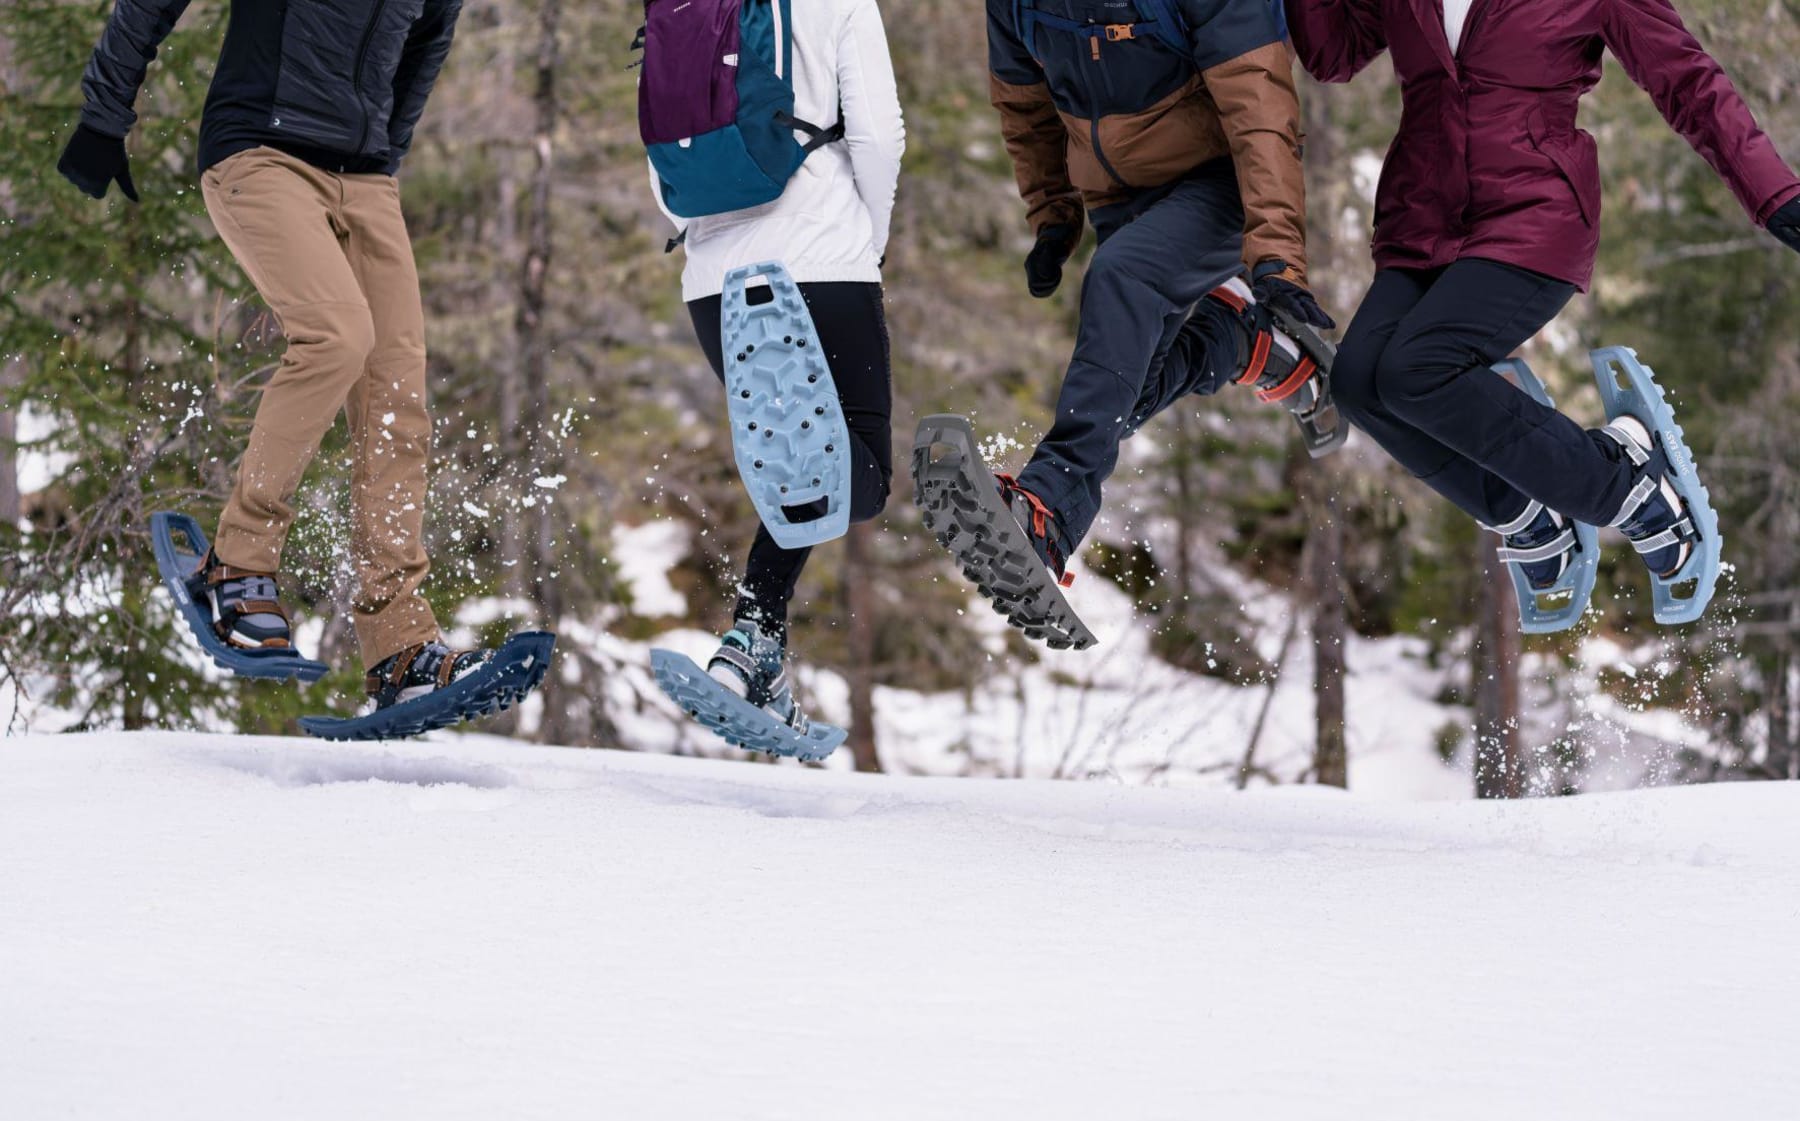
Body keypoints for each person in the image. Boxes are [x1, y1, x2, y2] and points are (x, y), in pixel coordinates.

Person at [58, 0, 531, 712]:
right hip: (261, 150)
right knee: (337, 337)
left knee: (396, 393)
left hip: (365, 177)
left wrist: (382, 150)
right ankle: (237, 566)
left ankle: (400, 643)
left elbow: (426, 42)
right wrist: (105, 112)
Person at [1286, 0, 1800, 610]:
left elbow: (1687, 81)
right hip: (1420, 221)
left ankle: (1630, 483)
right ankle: (1524, 511)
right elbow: (1333, 53)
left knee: (1416, 369)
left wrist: (1774, 192)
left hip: (1533, 221)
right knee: (1359, 383)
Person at [977, 0, 1335, 586]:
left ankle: (1046, 513)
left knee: (1121, 276)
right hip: (1120, 197)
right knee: (1128, 382)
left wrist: (1276, 253)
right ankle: (1237, 341)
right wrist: (1052, 215)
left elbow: (1259, 110)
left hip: (1222, 182)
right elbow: (1024, 104)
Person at [648, 0, 905, 737]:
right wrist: (868, 238)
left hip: (711, 276)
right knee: (854, 477)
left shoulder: (688, 5)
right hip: (824, 259)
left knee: (804, 459)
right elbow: (880, 134)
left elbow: (664, 151)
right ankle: (753, 638)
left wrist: (705, 233)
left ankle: (752, 645)